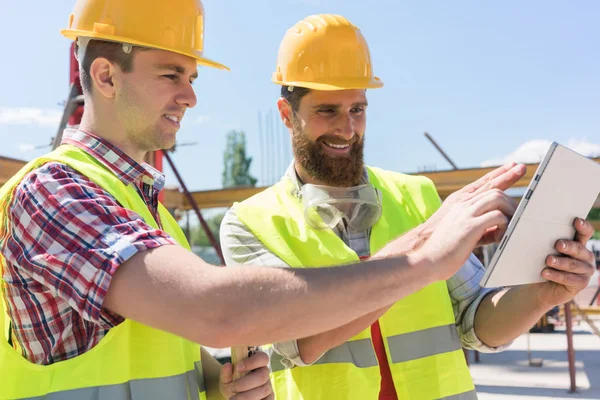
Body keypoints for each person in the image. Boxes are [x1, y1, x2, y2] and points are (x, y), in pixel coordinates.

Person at [220, 14, 597, 400]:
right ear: (287, 114)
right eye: (327, 110)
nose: (347, 129)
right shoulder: (249, 223)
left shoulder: (418, 196)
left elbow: (478, 322)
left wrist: (542, 295)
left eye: (357, 109)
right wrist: (425, 251)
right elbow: (301, 340)